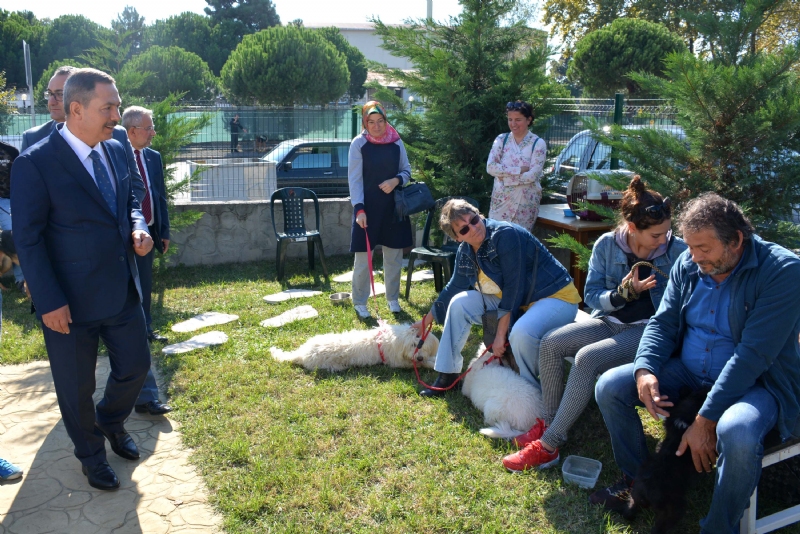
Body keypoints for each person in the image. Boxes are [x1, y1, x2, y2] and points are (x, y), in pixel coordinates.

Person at [590, 193, 800, 533]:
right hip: (688, 371)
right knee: (611, 387)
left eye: (704, 248)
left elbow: (753, 356)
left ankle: (719, 526)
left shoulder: (781, 271)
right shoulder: (689, 265)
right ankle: (640, 479)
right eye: (689, 246)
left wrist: (705, 422)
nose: (693, 256)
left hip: (756, 382)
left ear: (736, 241)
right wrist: (644, 368)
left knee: (739, 431)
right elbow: (663, 322)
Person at [11, 68, 155, 491]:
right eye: (107, 107)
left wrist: (136, 226)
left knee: (136, 366)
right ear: (77, 109)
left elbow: (129, 198)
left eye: (116, 104)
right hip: (67, 303)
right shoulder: (34, 163)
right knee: (76, 388)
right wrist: (48, 299)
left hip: (120, 289)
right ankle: (91, 455)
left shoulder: (115, 150)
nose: (116, 115)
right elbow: (29, 239)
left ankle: (110, 421)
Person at [501, 176, 687, 472]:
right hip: (611, 322)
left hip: (648, 331)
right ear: (633, 228)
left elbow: (682, 306)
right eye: (656, 235)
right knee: (551, 342)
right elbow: (591, 296)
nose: (664, 240)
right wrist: (622, 295)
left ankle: (550, 445)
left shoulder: (677, 251)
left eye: (667, 233)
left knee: (586, 359)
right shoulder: (607, 245)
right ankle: (549, 424)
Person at [413, 198, 581, 396]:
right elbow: (453, 287)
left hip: (555, 297)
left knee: (522, 333)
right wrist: (426, 321)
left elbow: (513, 287)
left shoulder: (505, 235)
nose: (473, 228)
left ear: (480, 215)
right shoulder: (465, 251)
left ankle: (531, 391)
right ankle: (447, 375)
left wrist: (500, 335)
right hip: (522, 302)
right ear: (458, 238)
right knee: (458, 303)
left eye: (474, 220)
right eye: (464, 229)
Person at [122, 106, 173, 417]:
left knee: (147, 283)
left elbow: (159, 195)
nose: (153, 132)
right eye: (148, 128)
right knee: (134, 290)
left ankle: (148, 326)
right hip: (126, 238)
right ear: (131, 131)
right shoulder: (116, 156)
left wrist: (162, 230)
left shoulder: (152, 157)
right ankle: (138, 328)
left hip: (150, 231)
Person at [348, 101, 412, 318]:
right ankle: (359, 301)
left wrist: (396, 181)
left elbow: (407, 171)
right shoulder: (359, 144)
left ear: (386, 120)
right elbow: (354, 179)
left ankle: (393, 299)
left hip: (394, 209)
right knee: (364, 258)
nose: (376, 126)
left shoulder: (396, 142)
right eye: (371, 122)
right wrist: (359, 209)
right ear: (365, 123)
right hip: (368, 210)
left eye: (380, 121)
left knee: (393, 257)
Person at [486, 101, 547, 231]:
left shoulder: (538, 143)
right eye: (510, 119)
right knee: (496, 238)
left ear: (528, 120)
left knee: (520, 241)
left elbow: (532, 175)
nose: (513, 124)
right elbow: (491, 167)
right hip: (501, 202)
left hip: (525, 204)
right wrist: (518, 170)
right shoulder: (501, 140)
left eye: (518, 119)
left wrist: (505, 178)